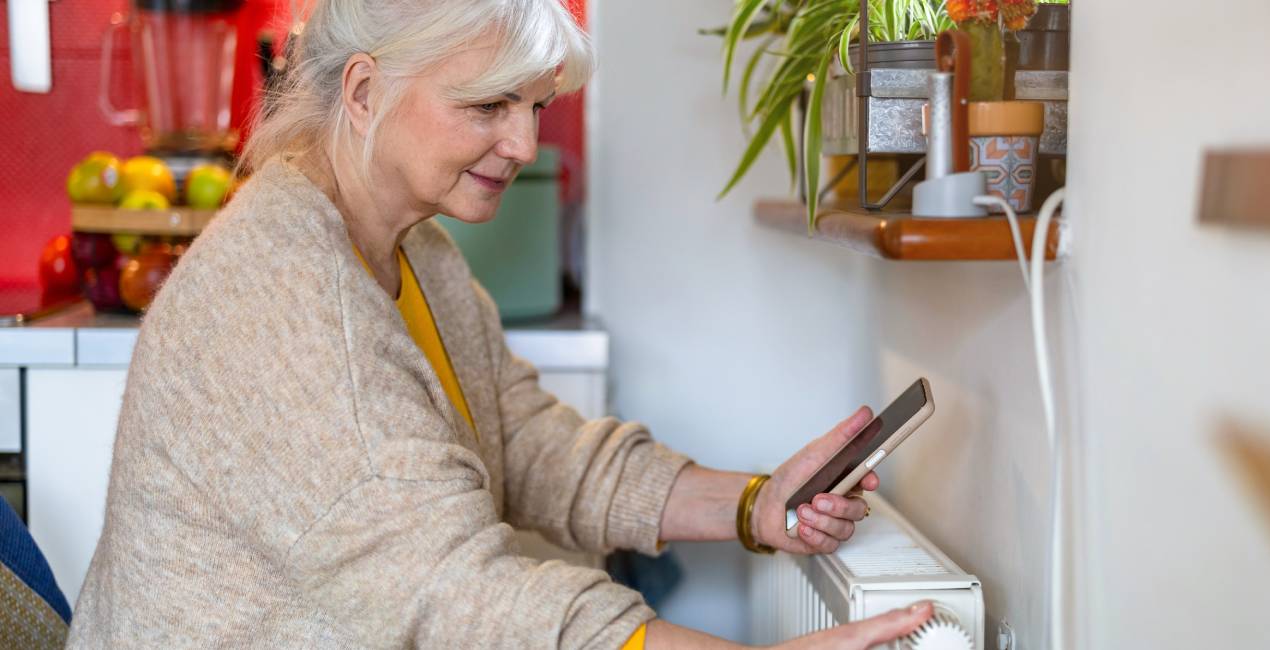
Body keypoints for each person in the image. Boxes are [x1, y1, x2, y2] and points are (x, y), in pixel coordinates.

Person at [65, 1, 933, 647]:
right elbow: (452, 594)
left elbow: (521, 442)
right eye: (487, 106)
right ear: (364, 91)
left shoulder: (417, 249)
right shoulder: (289, 302)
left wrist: (754, 503)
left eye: (533, 108)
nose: (521, 143)